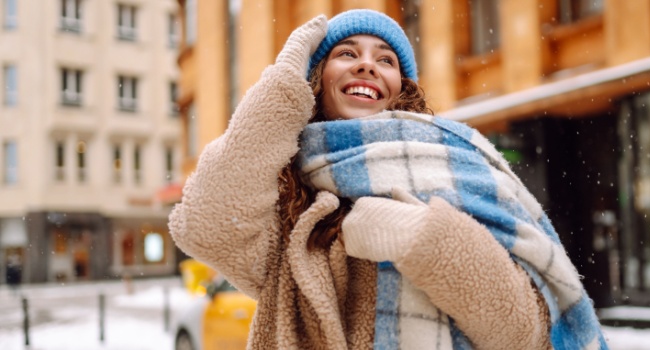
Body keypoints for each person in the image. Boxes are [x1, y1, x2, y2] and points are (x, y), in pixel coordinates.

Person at [169, 9, 606, 350]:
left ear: (402, 87)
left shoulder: (458, 164)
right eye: (346, 53)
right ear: (316, 82)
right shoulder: (291, 210)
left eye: (385, 59)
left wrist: (422, 237)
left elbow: (523, 335)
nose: (367, 65)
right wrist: (282, 83)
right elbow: (208, 225)